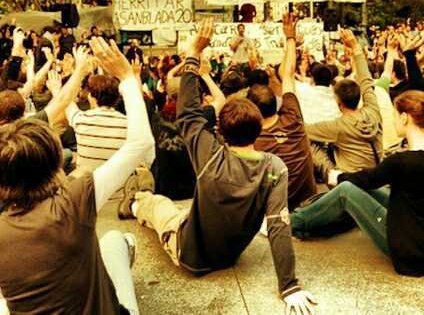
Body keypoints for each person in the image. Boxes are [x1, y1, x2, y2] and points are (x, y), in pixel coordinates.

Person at [118, 19, 317, 314]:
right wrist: (289, 286)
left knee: (158, 206)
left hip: (189, 255)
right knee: (178, 212)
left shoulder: (210, 156)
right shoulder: (274, 167)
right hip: (229, 255)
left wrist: (193, 54)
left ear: (220, 131)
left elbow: (188, 114)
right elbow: (278, 224)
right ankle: (141, 192)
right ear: (257, 130)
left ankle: (135, 200)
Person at [0, 38, 155, 315]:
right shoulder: (74, 200)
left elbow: (64, 108)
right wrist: (128, 78)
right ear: (55, 160)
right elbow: (140, 142)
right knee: (113, 241)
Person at [291, 89, 424, 277]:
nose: (392, 121)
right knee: (364, 187)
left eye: (394, 116)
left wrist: (338, 176)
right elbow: (369, 181)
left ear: (404, 118)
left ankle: (292, 223)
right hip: (416, 235)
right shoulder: (405, 161)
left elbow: (368, 179)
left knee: (346, 190)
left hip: (408, 253)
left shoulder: (402, 162)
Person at [248, 14, 316, 210]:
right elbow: (287, 74)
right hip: (309, 205)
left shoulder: (252, 142)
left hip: (277, 211)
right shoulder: (293, 117)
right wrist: (290, 38)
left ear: (253, 111)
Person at [305, 29, 383, 181]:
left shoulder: (337, 126)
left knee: (312, 145)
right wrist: (356, 48)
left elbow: (303, 131)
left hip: (350, 180)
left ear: (338, 102)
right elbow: (366, 81)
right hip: (376, 176)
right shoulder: (373, 110)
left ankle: (331, 175)